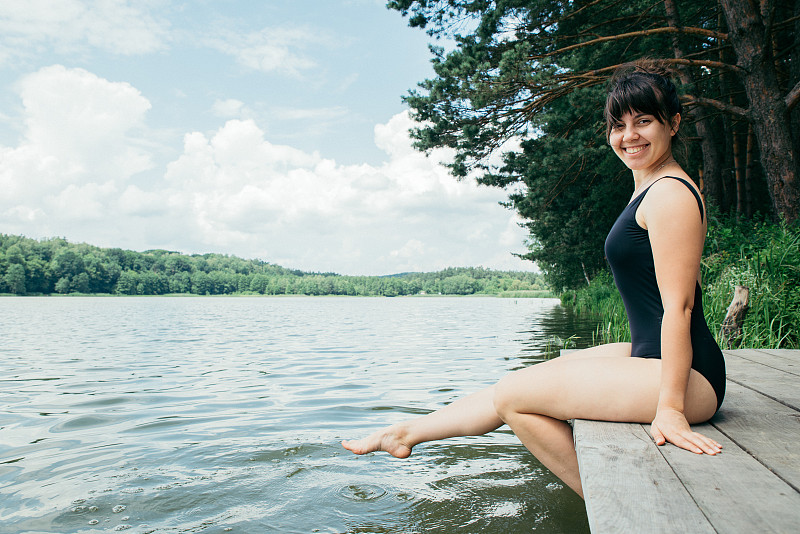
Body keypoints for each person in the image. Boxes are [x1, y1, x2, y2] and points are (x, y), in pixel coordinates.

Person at [342, 59, 726, 498]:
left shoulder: (670, 194)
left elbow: (680, 306)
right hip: (653, 359)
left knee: (514, 395)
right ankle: (407, 433)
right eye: (618, 125)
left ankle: (619, 502)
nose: (629, 136)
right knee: (534, 375)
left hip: (686, 377)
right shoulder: (649, 186)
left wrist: (671, 408)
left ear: (672, 123)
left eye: (644, 121)